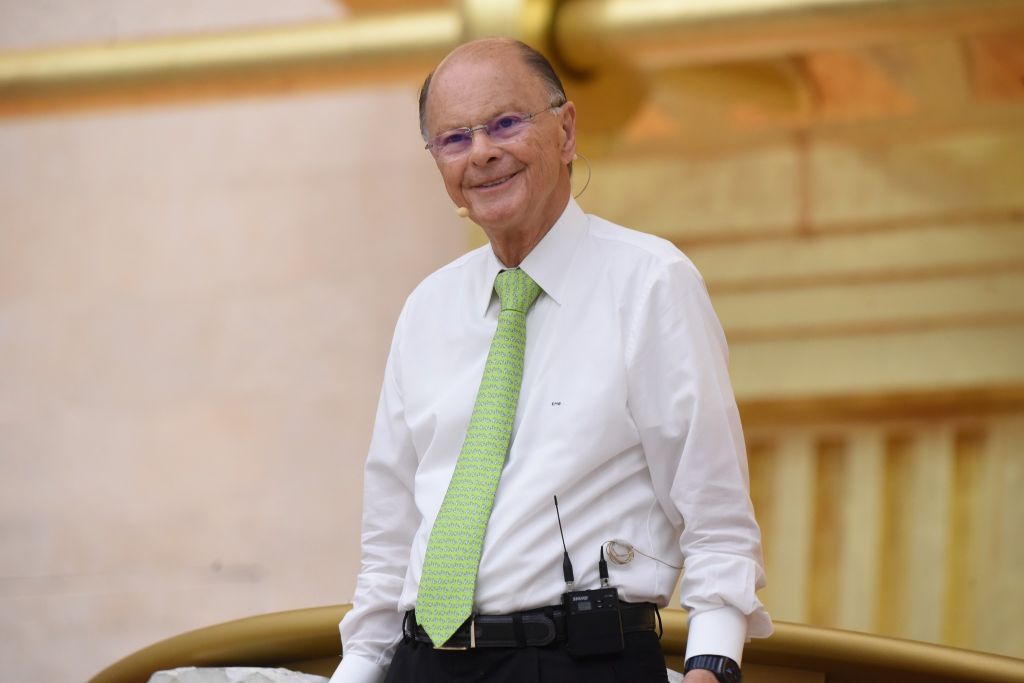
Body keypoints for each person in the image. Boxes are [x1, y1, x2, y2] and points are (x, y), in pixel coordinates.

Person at [329, 38, 771, 683]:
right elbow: (391, 535)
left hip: (580, 659)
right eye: (454, 139)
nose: (481, 152)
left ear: (565, 131)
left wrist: (712, 665)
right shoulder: (427, 308)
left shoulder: (650, 282)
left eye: (506, 123)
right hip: (425, 663)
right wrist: (360, 667)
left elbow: (716, 515)